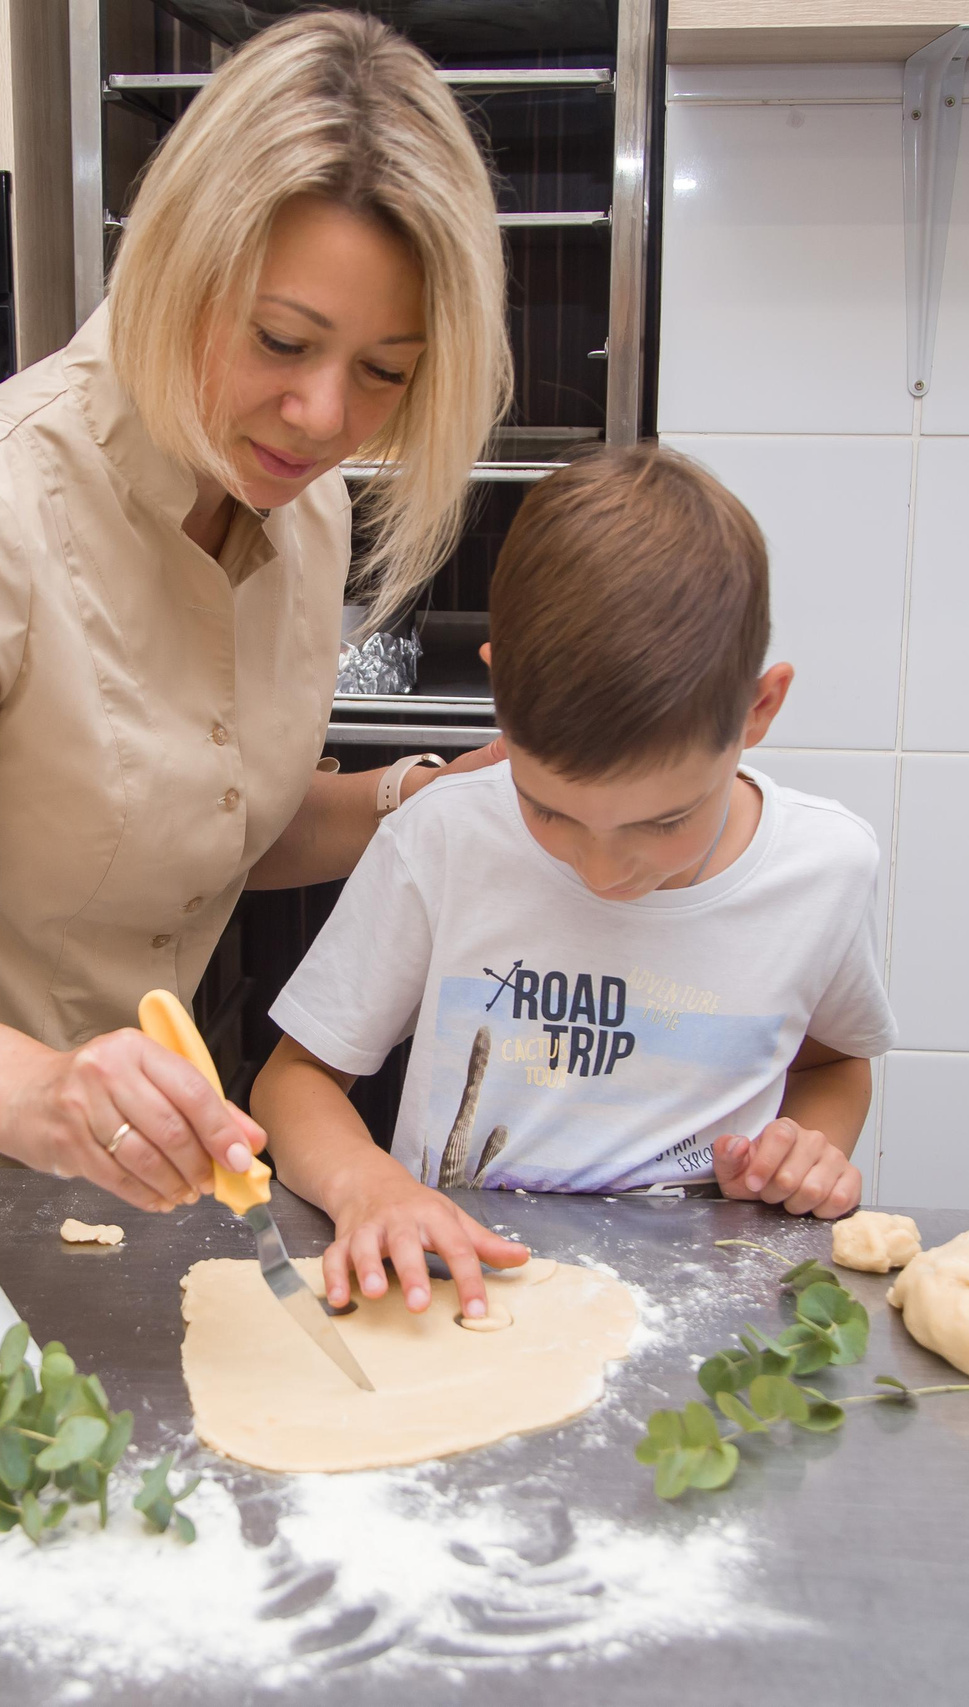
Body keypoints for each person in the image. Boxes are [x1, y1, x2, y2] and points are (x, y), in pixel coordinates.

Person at [0, 12, 513, 1207]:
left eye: (383, 371)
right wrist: (31, 1093)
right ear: (181, 261)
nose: (319, 414)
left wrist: (416, 799)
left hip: (103, 1196)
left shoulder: (302, 515)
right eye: (282, 340)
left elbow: (200, 819)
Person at [251, 446, 898, 1323]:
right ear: (500, 706)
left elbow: (834, 1060)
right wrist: (369, 1186)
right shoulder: (444, 838)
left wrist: (805, 1151)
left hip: (699, 1316)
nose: (600, 869)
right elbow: (295, 1081)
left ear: (758, 711)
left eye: (661, 823)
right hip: (459, 1303)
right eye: (548, 811)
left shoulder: (821, 869)